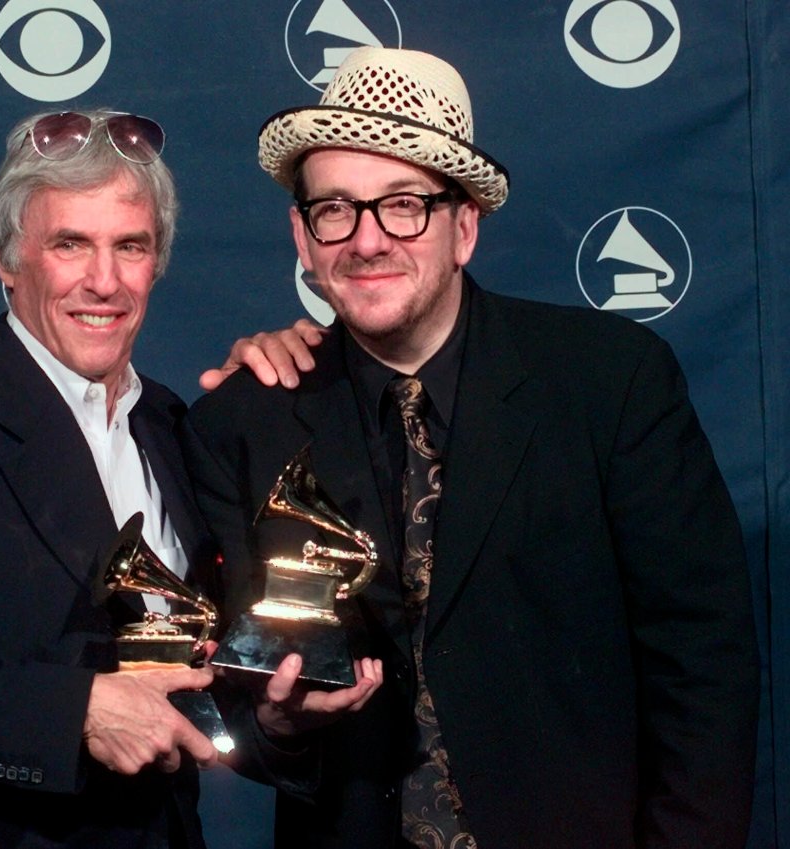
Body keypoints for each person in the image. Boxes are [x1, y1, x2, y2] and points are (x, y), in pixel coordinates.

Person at [180, 47, 760, 849]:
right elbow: (240, 706)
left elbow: (703, 670)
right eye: (336, 210)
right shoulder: (243, 422)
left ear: (464, 227)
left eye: (404, 204)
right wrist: (277, 724)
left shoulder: (610, 382)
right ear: (303, 238)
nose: (367, 240)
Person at [0, 107, 310, 849]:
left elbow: (198, 662)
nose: (104, 281)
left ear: (156, 260)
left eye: (129, 246)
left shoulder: (170, 424)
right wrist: (77, 711)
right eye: (70, 244)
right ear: (9, 260)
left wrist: (274, 713)